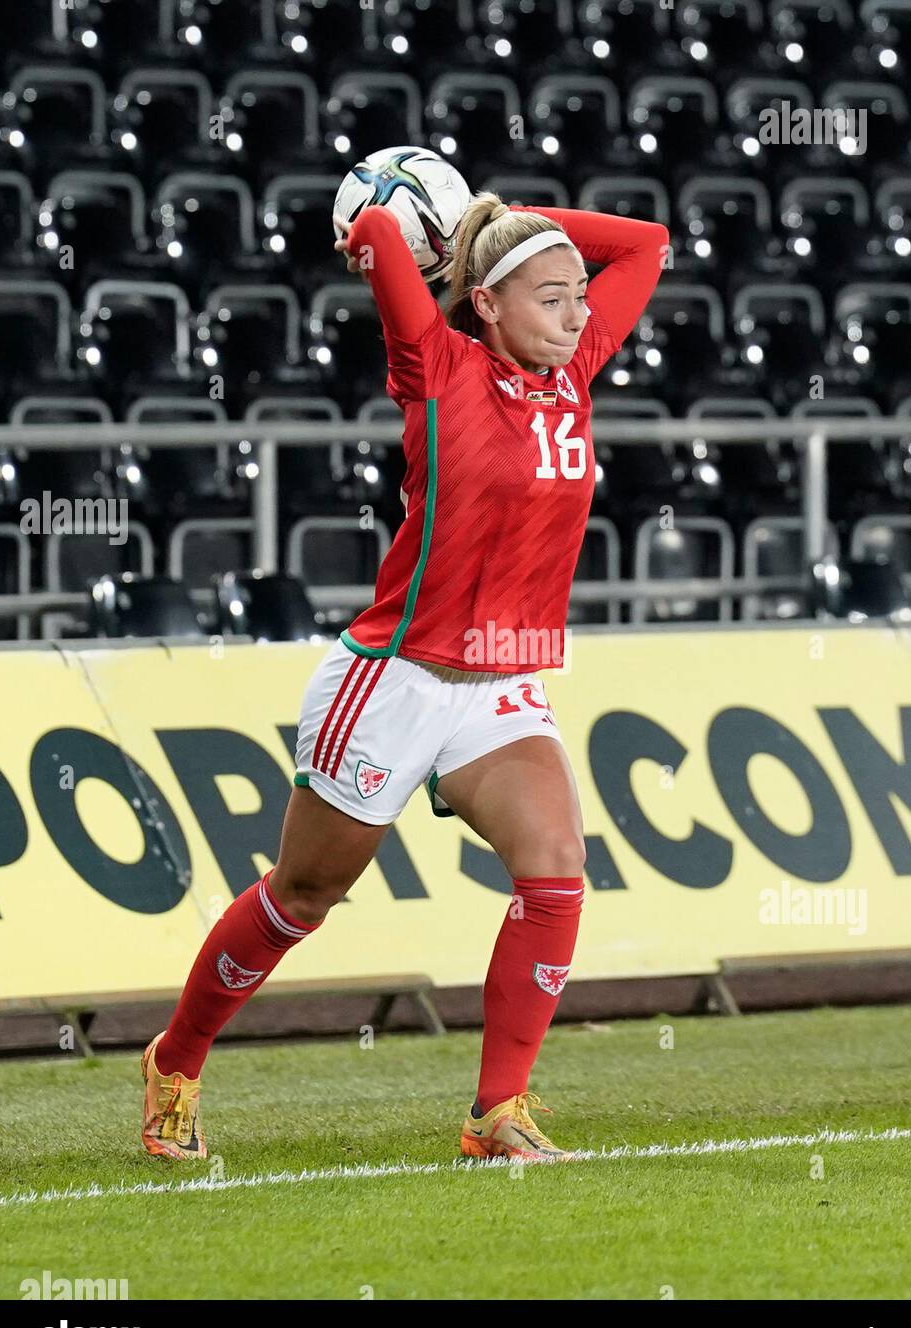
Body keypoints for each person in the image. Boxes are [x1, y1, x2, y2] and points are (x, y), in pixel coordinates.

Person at [140, 188, 668, 1163]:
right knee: (301, 896)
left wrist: (499, 213)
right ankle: (175, 1060)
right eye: (550, 298)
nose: (577, 314)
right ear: (486, 305)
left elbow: (645, 243)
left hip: (497, 684)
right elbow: (380, 233)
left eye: (575, 298)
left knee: (554, 870)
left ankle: (495, 1111)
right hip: (394, 679)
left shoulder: (576, 369)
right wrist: (381, 218)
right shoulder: (439, 368)